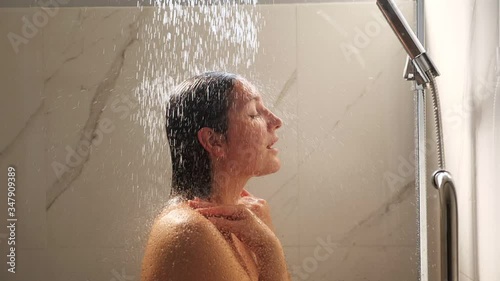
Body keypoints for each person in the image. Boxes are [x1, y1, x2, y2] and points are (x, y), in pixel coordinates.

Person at [140, 72, 291, 281]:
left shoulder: (240, 223)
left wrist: (266, 241)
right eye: (254, 114)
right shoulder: (188, 231)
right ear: (214, 141)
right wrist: (270, 250)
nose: (276, 121)